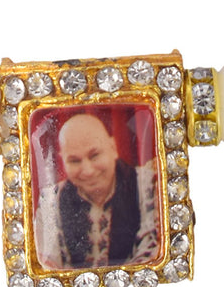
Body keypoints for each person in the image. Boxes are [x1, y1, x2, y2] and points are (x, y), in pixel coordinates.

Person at [34, 113, 160, 270]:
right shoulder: (51, 200)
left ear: (113, 148)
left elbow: (151, 258)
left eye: (94, 156)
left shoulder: (147, 185)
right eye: (74, 161)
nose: (88, 171)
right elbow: (49, 266)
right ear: (63, 161)